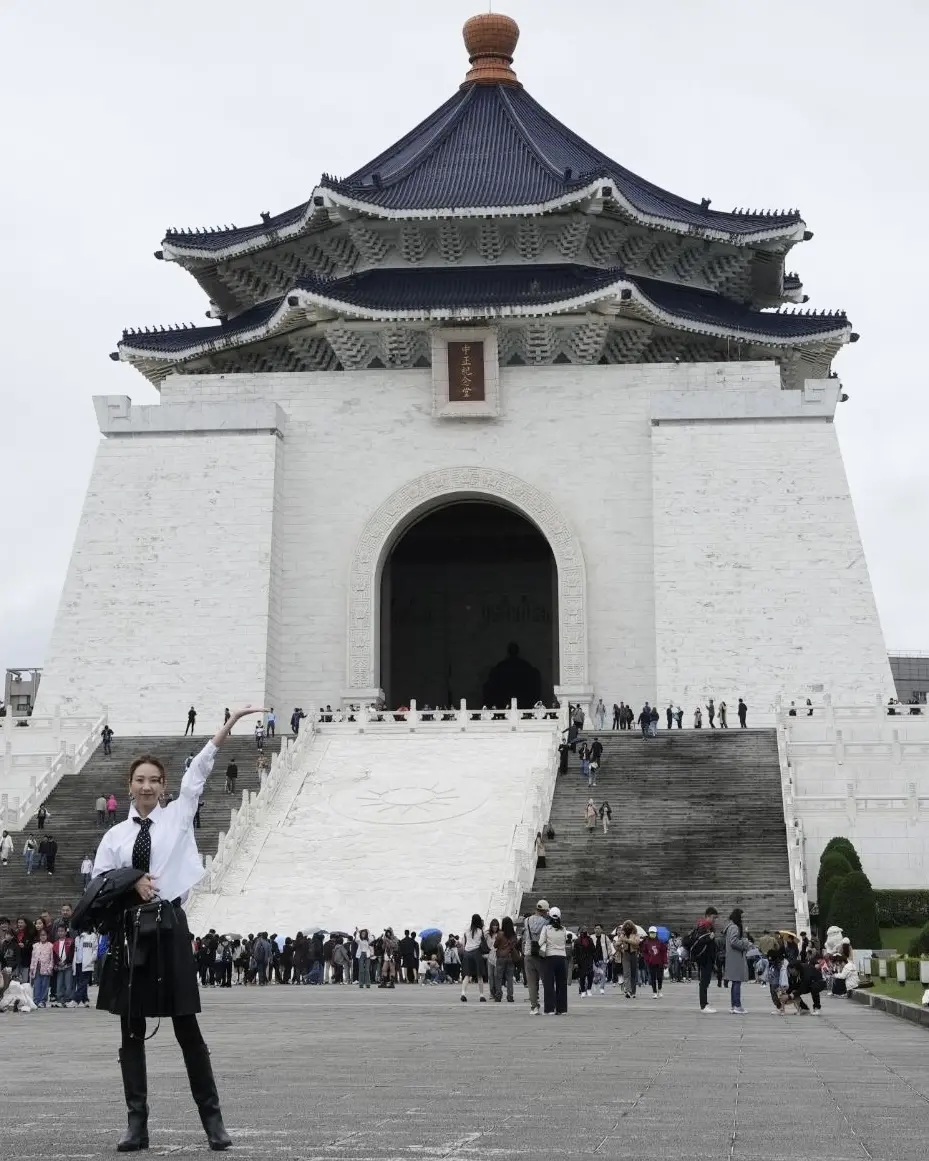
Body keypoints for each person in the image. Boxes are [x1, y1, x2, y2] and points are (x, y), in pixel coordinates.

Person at [80, 703, 265, 1152]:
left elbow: (198, 773)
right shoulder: (115, 837)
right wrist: (132, 881)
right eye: (140, 780)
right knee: (131, 1031)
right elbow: (98, 886)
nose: (147, 786)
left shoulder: (179, 816)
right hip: (129, 934)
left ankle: (213, 1122)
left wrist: (227, 727)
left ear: (164, 787)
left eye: (154, 780)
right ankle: (136, 1125)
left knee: (187, 1028)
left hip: (168, 926)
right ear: (129, 786)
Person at [685, 908, 719, 1013]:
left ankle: (705, 1003)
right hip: (704, 958)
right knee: (704, 982)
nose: (714, 920)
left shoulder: (707, 926)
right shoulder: (703, 927)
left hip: (707, 958)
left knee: (706, 981)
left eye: (716, 918)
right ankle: (703, 1006)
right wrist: (709, 938)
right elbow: (699, 942)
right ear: (707, 916)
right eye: (713, 917)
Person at [539, 906, 568, 1014]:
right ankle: (562, 1009)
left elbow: (540, 942)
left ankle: (550, 1009)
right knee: (562, 984)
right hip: (561, 957)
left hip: (550, 957)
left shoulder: (546, 928)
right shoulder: (563, 929)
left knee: (549, 984)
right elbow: (564, 941)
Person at [523, 900, 550, 1015]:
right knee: (546, 981)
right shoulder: (546, 922)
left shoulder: (526, 920)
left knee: (531, 983)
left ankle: (534, 1007)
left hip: (528, 952)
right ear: (545, 910)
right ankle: (549, 1006)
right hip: (541, 953)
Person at [724, 908, 752, 1014]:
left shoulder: (730, 926)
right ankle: (737, 1005)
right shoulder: (734, 927)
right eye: (742, 917)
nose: (742, 919)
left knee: (735, 982)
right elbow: (733, 941)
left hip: (732, 957)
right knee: (737, 981)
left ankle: (734, 1005)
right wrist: (745, 943)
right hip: (736, 957)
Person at [459, 915, 486, 1002]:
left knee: (467, 975)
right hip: (476, 953)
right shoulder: (480, 931)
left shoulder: (467, 931)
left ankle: (463, 993)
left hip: (467, 954)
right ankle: (481, 995)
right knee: (479, 975)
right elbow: (483, 943)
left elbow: (464, 944)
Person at [493, 917, 519, 1003]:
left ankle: (498, 995)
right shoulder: (513, 935)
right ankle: (510, 996)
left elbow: (495, 945)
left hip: (501, 958)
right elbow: (515, 944)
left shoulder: (500, 934)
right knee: (510, 978)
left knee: (498, 977)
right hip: (510, 957)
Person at [29, 929, 54, 1007]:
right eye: (41, 935)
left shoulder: (50, 945)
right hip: (37, 968)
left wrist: (50, 967)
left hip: (46, 968)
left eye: (44, 935)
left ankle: (43, 1001)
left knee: (45, 985)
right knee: (37, 985)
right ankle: (36, 1000)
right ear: (39, 936)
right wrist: (32, 967)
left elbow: (52, 958)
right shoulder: (35, 946)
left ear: (47, 936)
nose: (43, 937)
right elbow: (33, 958)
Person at [616, 921, 640, 999]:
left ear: (632, 926)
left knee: (633, 974)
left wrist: (626, 940)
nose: (627, 926)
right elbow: (617, 943)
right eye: (626, 925)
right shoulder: (623, 935)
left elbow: (636, 942)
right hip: (625, 954)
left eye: (629, 925)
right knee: (626, 974)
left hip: (633, 954)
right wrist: (620, 947)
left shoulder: (635, 934)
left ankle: (633, 992)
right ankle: (628, 991)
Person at [641, 927, 667, 997]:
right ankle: (654, 992)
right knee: (652, 978)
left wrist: (665, 962)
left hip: (660, 963)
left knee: (659, 977)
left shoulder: (660, 942)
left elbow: (664, 952)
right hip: (651, 963)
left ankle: (660, 990)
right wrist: (647, 959)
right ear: (649, 933)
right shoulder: (646, 942)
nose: (652, 934)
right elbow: (644, 952)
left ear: (656, 933)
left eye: (653, 933)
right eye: (651, 932)